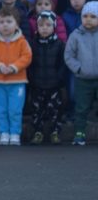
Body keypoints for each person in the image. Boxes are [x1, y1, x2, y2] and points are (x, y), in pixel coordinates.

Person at [0, 6, 32, 146]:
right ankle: (3, 133)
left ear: (16, 24)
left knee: (15, 110)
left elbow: (27, 56)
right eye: (2, 22)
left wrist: (14, 67)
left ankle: (15, 133)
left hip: (17, 81)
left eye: (9, 21)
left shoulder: (22, 41)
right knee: (1, 109)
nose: (5, 25)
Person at [27, 11, 66, 145]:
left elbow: (62, 64)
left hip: (54, 84)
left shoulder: (59, 44)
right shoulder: (32, 44)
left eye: (48, 25)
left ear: (54, 27)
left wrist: (59, 78)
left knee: (55, 109)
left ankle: (55, 132)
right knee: (37, 109)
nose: (44, 28)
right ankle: (38, 132)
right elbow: (29, 64)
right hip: (37, 84)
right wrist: (31, 78)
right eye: (41, 25)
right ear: (36, 27)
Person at [64, 1, 98, 146]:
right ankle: (79, 133)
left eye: (93, 16)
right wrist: (78, 68)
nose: (88, 19)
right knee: (81, 107)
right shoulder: (75, 35)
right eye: (85, 16)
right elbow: (68, 55)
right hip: (82, 78)